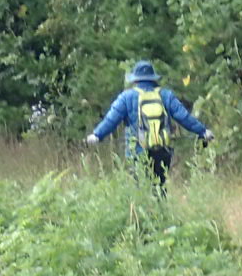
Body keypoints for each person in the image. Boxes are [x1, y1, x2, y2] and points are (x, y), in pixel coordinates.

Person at [86, 60, 213, 189]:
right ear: (153, 78)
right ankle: (159, 201)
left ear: (135, 80)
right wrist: (203, 131)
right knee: (159, 187)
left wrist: (97, 135)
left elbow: (111, 120)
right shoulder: (166, 95)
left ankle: (143, 202)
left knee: (140, 188)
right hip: (162, 151)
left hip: (137, 151)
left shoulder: (126, 97)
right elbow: (184, 117)